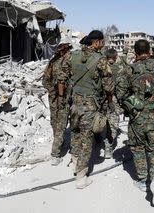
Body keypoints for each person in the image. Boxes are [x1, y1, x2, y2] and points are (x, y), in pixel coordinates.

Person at [116, 39, 154, 208]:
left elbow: (120, 93)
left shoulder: (129, 69)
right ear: (149, 50)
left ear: (135, 53)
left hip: (137, 118)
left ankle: (143, 180)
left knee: (137, 148)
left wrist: (134, 106)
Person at [68, 30, 114, 189]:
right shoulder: (100, 60)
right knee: (87, 138)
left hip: (75, 101)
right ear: (96, 42)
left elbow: (66, 78)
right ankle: (81, 176)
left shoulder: (72, 56)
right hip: (90, 103)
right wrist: (109, 101)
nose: (102, 44)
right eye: (101, 42)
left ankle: (74, 160)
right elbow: (108, 86)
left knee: (75, 131)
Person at [42, 42, 73, 166]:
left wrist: (51, 91)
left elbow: (45, 81)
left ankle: (58, 142)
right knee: (61, 123)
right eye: (68, 50)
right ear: (64, 51)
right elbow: (61, 81)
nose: (70, 53)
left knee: (55, 121)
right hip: (63, 97)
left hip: (53, 97)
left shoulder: (52, 62)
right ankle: (55, 153)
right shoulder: (64, 63)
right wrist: (60, 95)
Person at [101, 48, 126, 158]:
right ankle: (108, 149)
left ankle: (98, 140)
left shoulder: (99, 66)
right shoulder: (120, 68)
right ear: (116, 57)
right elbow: (122, 87)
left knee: (99, 121)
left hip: (99, 100)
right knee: (113, 125)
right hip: (113, 100)